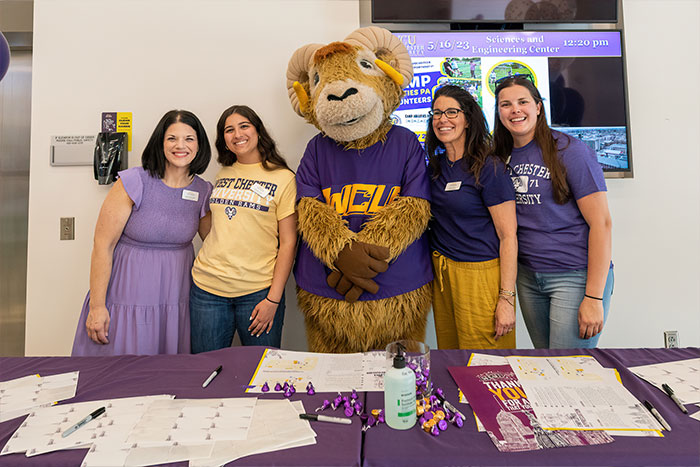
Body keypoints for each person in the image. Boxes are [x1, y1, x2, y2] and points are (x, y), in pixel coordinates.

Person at [71, 110, 213, 356]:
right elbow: (102, 245)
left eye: (189, 139)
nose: (181, 145)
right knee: (119, 370)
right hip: (126, 294)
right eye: (172, 138)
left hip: (175, 297)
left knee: (164, 376)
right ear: (160, 143)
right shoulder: (134, 181)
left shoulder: (203, 191)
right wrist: (97, 306)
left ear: (199, 145)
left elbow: (215, 245)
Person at [493, 76, 613, 349]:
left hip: (574, 276)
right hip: (528, 277)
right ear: (498, 112)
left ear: (538, 107)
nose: (515, 110)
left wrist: (593, 298)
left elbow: (602, 224)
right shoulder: (499, 155)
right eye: (506, 104)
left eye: (523, 102)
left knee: (569, 371)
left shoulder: (571, 151)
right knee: (546, 365)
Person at [189, 105, 297, 353]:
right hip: (207, 291)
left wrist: (273, 299)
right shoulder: (222, 174)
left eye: (244, 126)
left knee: (262, 373)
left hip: (257, 292)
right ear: (224, 140)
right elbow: (216, 228)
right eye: (229, 130)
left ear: (258, 131)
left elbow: (289, 243)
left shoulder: (283, 178)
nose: (237, 134)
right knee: (205, 372)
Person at [427, 85, 517, 349]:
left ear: (468, 119)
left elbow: (508, 236)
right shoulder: (435, 167)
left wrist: (506, 299)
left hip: (480, 277)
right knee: (451, 358)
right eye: (437, 113)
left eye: (452, 112)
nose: (443, 119)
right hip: (443, 276)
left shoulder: (489, 167)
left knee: (486, 364)